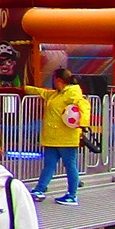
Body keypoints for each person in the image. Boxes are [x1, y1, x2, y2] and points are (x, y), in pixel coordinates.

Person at [23, 68, 89, 206]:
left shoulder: (72, 94)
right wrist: (24, 88)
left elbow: (84, 105)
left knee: (70, 165)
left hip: (66, 139)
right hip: (52, 138)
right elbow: (41, 92)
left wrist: (83, 124)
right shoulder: (55, 95)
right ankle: (39, 190)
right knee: (49, 165)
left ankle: (72, 195)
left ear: (59, 80)